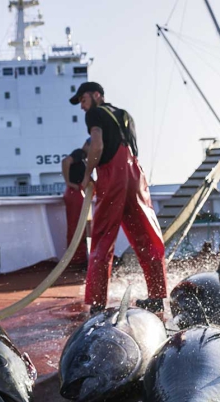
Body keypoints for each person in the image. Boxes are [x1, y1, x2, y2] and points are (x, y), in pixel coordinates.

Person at [68, 81, 167, 314]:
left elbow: (98, 144)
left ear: (96, 95)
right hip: (135, 175)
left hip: (112, 175)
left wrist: (85, 174)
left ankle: (98, 302)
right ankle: (157, 297)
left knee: (103, 236)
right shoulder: (124, 115)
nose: (82, 107)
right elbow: (111, 142)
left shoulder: (94, 113)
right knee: (147, 236)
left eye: (83, 100)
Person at [61, 140, 90, 266]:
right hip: (74, 192)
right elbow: (65, 161)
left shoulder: (83, 159)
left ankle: (79, 257)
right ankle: (77, 259)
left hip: (77, 193)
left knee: (79, 226)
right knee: (76, 226)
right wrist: (69, 182)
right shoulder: (79, 153)